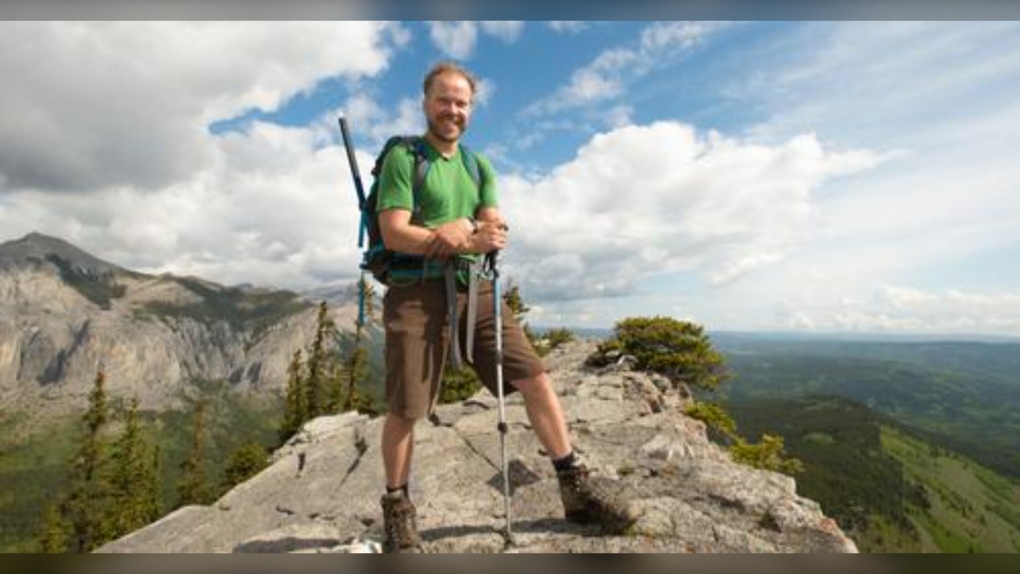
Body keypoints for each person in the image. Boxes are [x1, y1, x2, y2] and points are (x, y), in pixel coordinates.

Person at [375, 61, 635, 553]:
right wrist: (446, 234)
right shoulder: (405, 158)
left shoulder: (478, 166)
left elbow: (491, 228)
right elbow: (394, 231)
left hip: (476, 288)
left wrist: (481, 233)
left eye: (461, 102)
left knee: (533, 376)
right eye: (443, 99)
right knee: (407, 407)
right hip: (417, 291)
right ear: (425, 102)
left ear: (470, 109)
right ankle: (397, 507)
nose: (452, 109)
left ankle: (573, 482)